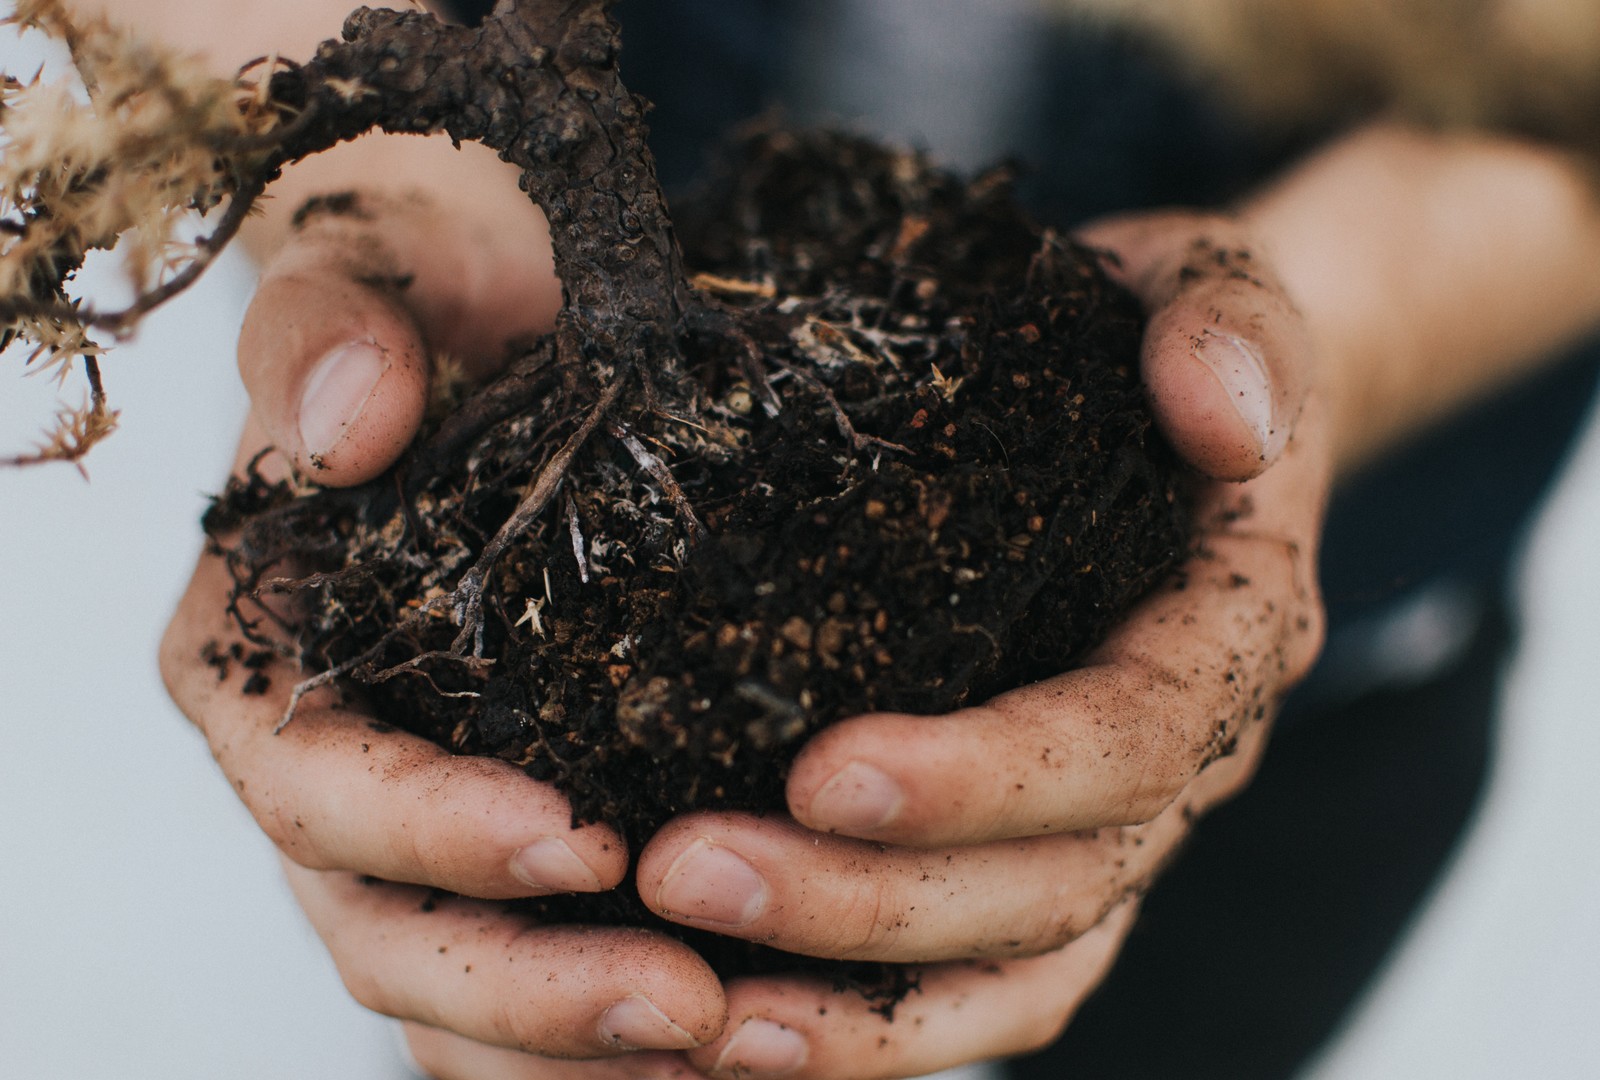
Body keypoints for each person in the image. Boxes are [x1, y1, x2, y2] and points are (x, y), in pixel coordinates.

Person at [62, 0, 1600, 1077]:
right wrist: (366, 195)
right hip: (580, 300)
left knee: (1199, 1022)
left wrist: (1330, 330)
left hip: (1354, 646)